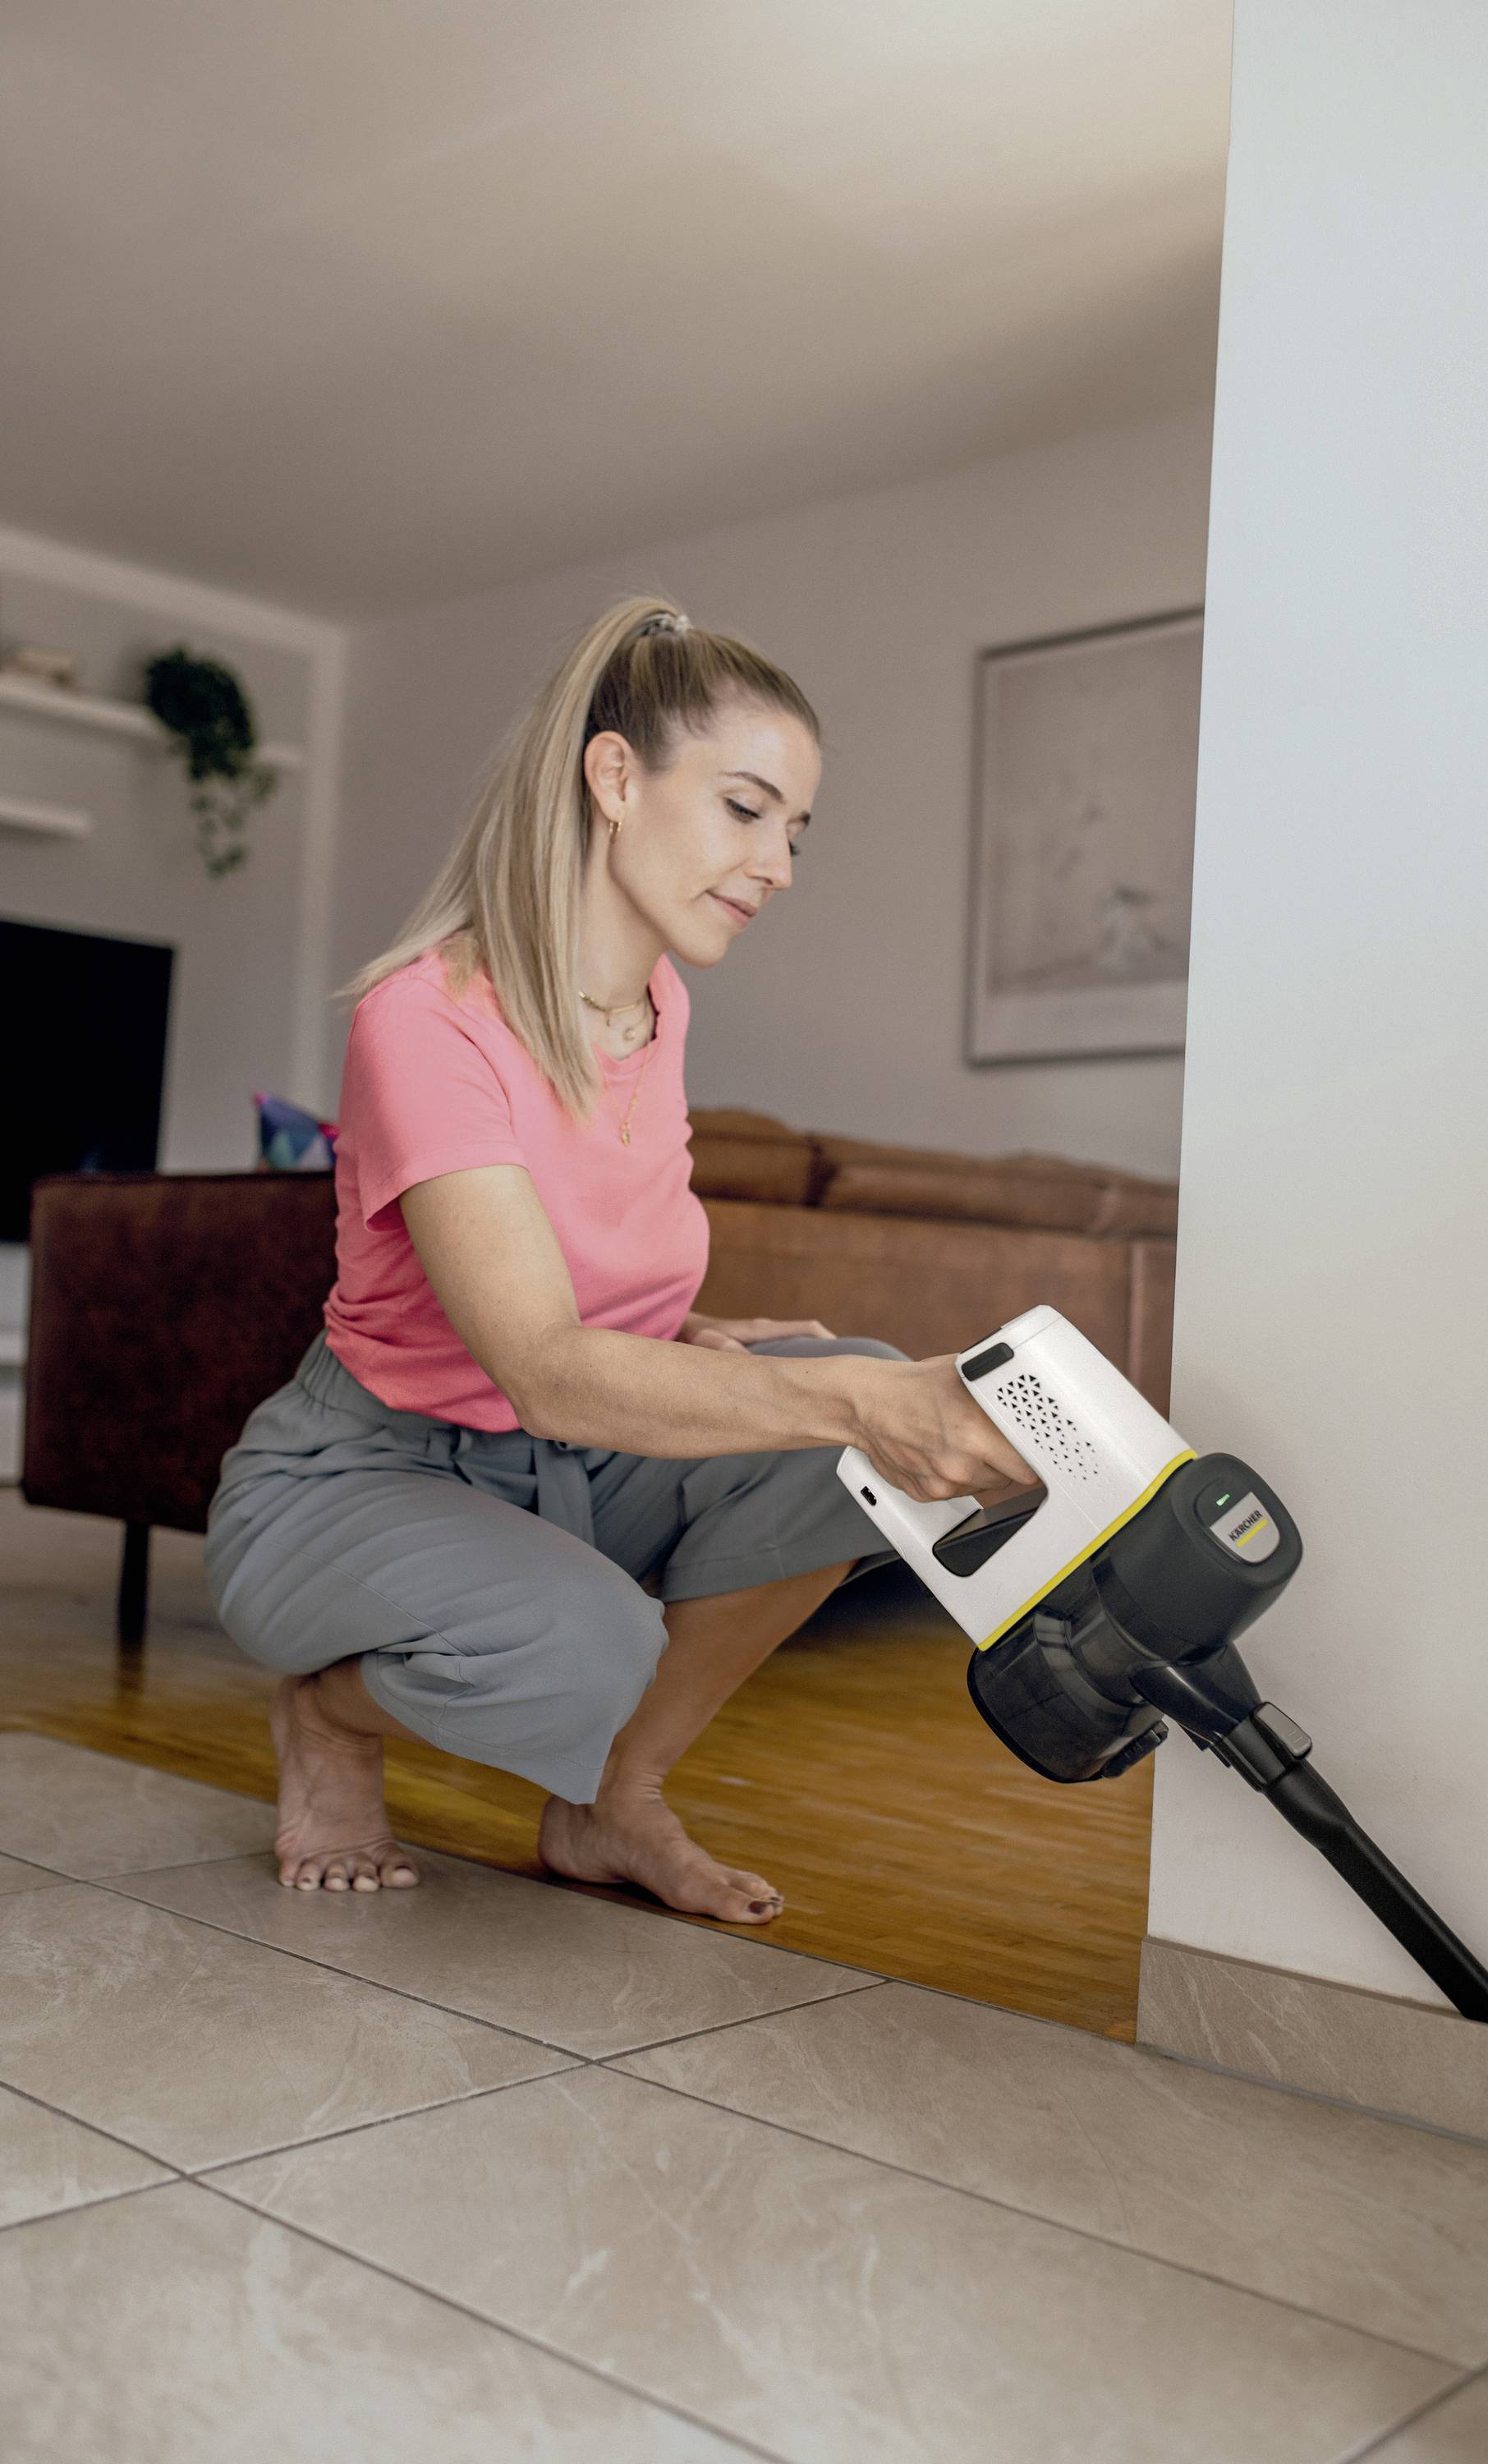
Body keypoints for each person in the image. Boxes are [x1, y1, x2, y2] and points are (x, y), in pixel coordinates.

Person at [204, 598, 1031, 1925]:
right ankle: (329, 1715)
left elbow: (565, 1245)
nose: (779, 865)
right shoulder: (425, 1019)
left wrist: (704, 1331)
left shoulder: (659, 1006)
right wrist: (852, 1396)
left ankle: (613, 1802)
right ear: (612, 777)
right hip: (360, 1476)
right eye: (747, 809)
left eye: (796, 831)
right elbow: (541, 1368)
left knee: (856, 1407)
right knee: (607, 1631)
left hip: (571, 1470)